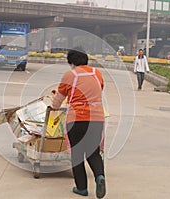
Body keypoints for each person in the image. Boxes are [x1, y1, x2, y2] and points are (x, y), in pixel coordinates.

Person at [51, 48, 106, 198]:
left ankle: (82, 188)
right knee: (93, 152)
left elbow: (59, 98)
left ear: (72, 63)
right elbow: (98, 89)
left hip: (77, 119)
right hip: (97, 118)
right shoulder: (97, 73)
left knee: (77, 154)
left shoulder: (70, 75)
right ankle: (100, 176)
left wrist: (53, 107)